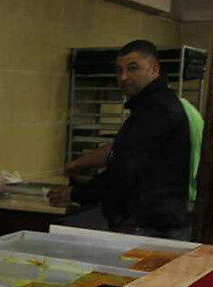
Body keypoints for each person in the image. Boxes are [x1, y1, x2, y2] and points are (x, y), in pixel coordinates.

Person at [53, 40, 195, 240]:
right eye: (119, 70)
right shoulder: (151, 106)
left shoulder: (157, 110)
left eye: (133, 68)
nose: (124, 77)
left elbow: (126, 168)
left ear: (154, 70)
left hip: (154, 225)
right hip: (155, 219)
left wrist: (77, 193)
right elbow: (122, 152)